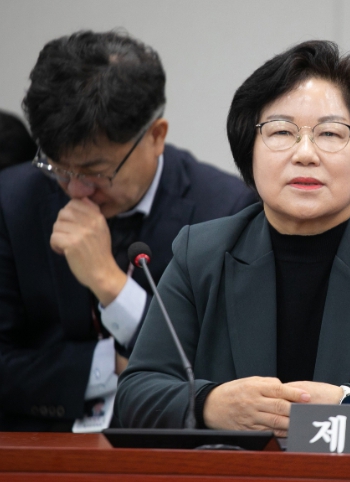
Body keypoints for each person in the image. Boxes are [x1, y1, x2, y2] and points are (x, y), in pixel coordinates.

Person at [116, 40, 350, 436]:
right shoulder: (201, 255)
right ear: (250, 150)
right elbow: (137, 393)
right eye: (281, 131)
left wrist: (349, 403)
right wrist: (209, 404)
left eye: (329, 133)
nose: (305, 154)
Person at [0, 31, 256, 431]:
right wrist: (105, 365)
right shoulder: (11, 201)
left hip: (162, 450)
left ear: (156, 136)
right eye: (58, 169)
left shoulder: (227, 211)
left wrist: (111, 286)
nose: (75, 190)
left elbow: (220, 370)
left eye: (96, 173)